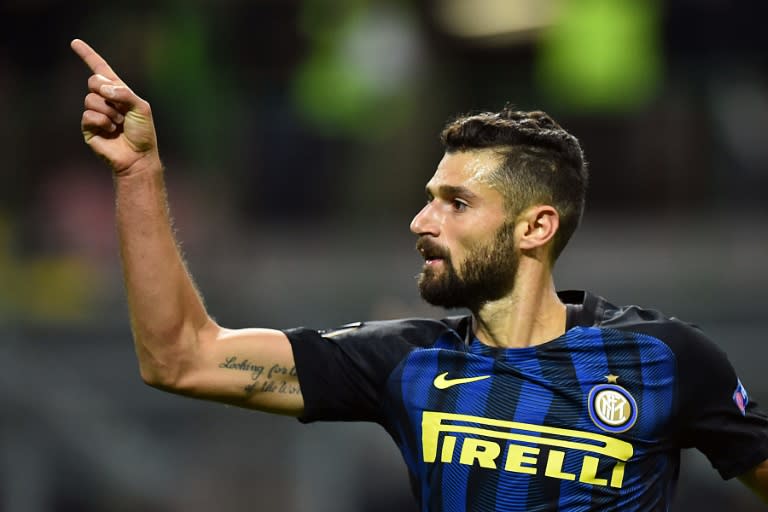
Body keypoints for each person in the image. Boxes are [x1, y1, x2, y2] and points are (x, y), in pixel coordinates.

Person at [71, 38, 768, 511]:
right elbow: (181, 357)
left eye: (455, 204)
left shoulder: (665, 360)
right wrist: (139, 173)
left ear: (536, 228)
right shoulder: (406, 362)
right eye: (429, 197)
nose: (420, 221)